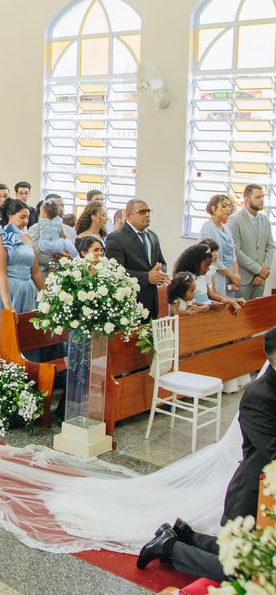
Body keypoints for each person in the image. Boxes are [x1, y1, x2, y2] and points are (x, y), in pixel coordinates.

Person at [137, 328, 276, 581]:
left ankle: (185, 536)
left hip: (269, 493)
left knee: (254, 554)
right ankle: (168, 547)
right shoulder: (259, 395)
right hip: (253, 493)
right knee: (244, 572)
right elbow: (273, 451)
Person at [0, 198, 46, 358]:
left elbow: (36, 271)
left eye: (27, 217)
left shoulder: (27, 238)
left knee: (25, 334)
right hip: (3, 290)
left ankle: (27, 366)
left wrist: (47, 295)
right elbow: (0, 273)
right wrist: (8, 306)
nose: (26, 221)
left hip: (25, 290)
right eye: (22, 217)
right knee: (3, 331)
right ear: (10, 215)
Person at [105, 198, 168, 318]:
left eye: (148, 211)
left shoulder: (153, 236)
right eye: (142, 212)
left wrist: (160, 273)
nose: (147, 215)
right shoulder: (116, 238)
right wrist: (147, 277)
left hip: (151, 300)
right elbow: (115, 271)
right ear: (129, 215)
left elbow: (161, 262)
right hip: (130, 301)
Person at [227, 183, 274, 300]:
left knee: (257, 311)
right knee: (240, 311)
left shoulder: (265, 219)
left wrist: (263, 273)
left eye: (262, 196)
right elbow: (236, 250)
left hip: (261, 280)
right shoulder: (234, 220)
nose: (262, 200)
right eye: (258, 197)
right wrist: (258, 270)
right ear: (247, 199)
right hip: (242, 280)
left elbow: (270, 246)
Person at [200, 194, 241, 296]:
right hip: (216, 275)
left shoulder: (226, 228)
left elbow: (233, 254)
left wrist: (236, 275)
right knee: (219, 301)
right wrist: (231, 275)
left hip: (231, 276)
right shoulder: (207, 228)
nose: (228, 209)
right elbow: (211, 257)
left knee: (231, 303)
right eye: (224, 206)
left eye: (229, 206)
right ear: (214, 209)